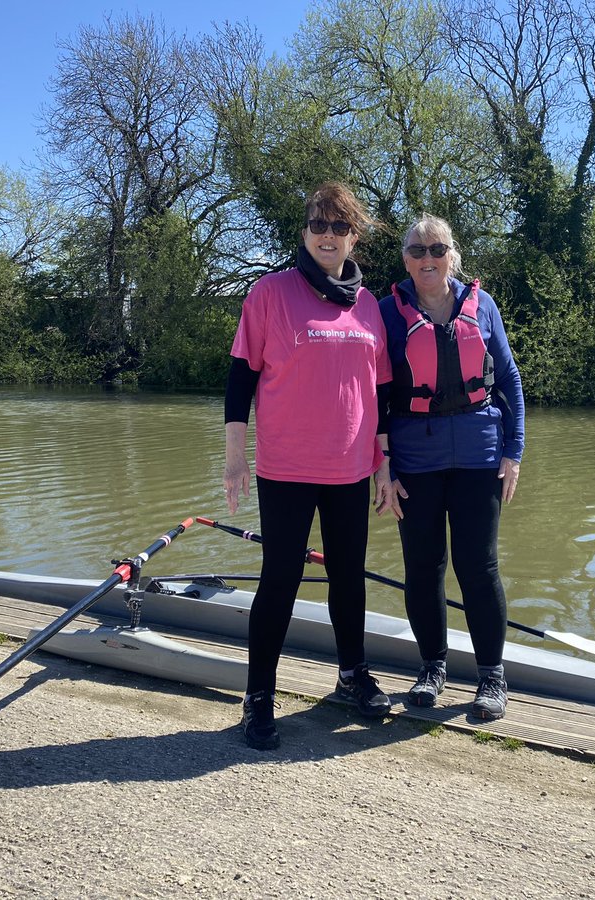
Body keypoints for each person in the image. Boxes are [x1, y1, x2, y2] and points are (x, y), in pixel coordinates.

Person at [225, 182, 396, 750]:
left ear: (354, 237)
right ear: (304, 232)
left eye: (340, 227)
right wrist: (234, 458)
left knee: (348, 578)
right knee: (281, 579)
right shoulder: (269, 293)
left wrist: (384, 465)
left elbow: (383, 395)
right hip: (285, 468)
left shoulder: (369, 305)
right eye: (319, 225)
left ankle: (352, 676)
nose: (328, 236)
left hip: (350, 469)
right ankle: (258, 699)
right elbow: (240, 380)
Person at [378, 213, 525, 721]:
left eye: (436, 249)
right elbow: (376, 396)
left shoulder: (482, 306)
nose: (427, 259)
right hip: (415, 462)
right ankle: (432, 666)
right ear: (405, 260)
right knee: (424, 568)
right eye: (417, 251)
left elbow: (509, 381)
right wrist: (384, 467)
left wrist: (514, 452)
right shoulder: (387, 313)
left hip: (481, 458)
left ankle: (491, 676)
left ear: (452, 254)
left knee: (478, 568)